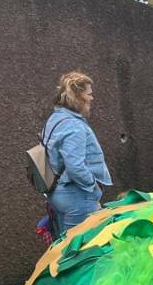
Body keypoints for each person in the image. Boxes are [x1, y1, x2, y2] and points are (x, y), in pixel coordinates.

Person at [44, 71, 112, 236]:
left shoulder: (56, 118)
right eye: (89, 94)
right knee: (82, 254)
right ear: (77, 96)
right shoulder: (74, 126)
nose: (92, 98)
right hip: (77, 198)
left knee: (65, 252)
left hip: (59, 193)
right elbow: (75, 166)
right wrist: (92, 185)